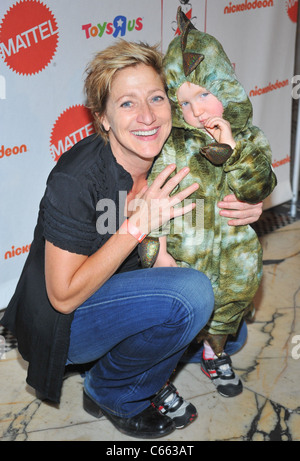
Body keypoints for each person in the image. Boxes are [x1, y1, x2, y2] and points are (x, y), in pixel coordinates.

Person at [1, 40, 263, 439]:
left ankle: (138, 351)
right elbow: (63, 296)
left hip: (125, 288)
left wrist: (244, 206)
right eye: (126, 103)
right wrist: (138, 225)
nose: (146, 116)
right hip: (67, 323)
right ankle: (112, 389)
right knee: (193, 297)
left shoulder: (176, 149)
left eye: (156, 98)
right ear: (102, 119)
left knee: (231, 326)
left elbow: (225, 195)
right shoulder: (77, 179)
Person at [140, 8, 277, 399]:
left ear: (227, 88)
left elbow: (258, 186)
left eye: (204, 94)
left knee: (232, 302)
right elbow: (155, 195)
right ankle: (159, 374)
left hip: (235, 252)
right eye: (184, 103)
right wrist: (160, 249)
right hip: (185, 254)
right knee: (172, 320)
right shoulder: (174, 144)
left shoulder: (249, 138)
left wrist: (234, 150)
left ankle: (214, 353)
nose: (197, 110)